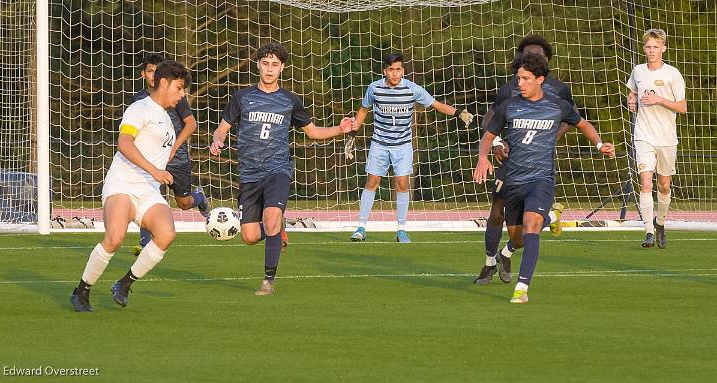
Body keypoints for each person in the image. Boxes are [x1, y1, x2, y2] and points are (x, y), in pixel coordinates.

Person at [209, 42, 352, 296]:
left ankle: (268, 281)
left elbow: (313, 132)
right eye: (265, 64)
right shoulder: (242, 97)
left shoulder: (290, 101)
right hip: (249, 174)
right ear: (257, 65)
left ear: (282, 68)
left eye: (275, 65)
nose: (269, 69)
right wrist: (218, 139)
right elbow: (223, 127)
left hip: (277, 170)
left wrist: (339, 129)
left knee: (271, 218)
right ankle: (278, 228)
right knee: (250, 236)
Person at [474, 52, 615, 303]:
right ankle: (551, 217)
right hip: (513, 181)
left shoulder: (556, 105)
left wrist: (599, 144)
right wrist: (483, 158)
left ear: (540, 79)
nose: (520, 83)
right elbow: (488, 135)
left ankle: (522, 288)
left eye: (525, 78)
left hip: (540, 180)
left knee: (531, 227)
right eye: (518, 78)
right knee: (517, 238)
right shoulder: (509, 106)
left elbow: (583, 124)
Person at [70, 61, 192, 312]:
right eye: (179, 89)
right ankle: (82, 291)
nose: (181, 95)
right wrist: (156, 171)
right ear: (164, 83)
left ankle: (124, 284)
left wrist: (163, 171)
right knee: (114, 239)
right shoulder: (140, 108)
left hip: (147, 190)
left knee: (167, 234)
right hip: (123, 184)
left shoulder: (167, 119)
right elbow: (124, 144)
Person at [474, 35, 572, 285]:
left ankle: (507, 252)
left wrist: (547, 138)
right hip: (510, 161)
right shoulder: (510, 87)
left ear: (546, 60)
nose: (530, 58)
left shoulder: (560, 90)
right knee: (496, 211)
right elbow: (491, 119)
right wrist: (496, 143)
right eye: (525, 54)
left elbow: (570, 121)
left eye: (537, 55)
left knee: (526, 227)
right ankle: (489, 264)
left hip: (537, 163)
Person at [347, 52, 473, 243]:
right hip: (379, 144)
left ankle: (401, 230)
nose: (395, 74)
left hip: (403, 145)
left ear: (403, 71)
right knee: (372, 181)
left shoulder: (412, 89)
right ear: (385, 71)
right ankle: (361, 228)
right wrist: (351, 137)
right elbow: (363, 110)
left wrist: (458, 113)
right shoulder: (374, 89)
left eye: (398, 69)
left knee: (402, 183)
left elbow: (435, 104)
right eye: (391, 70)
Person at [132, 53, 210, 256]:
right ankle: (145, 244)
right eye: (150, 71)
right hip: (152, 160)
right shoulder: (138, 100)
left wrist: (174, 147)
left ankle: (199, 197)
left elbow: (191, 124)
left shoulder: (176, 97)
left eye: (157, 71)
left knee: (183, 204)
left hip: (177, 159)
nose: (153, 75)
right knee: (148, 197)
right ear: (143, 74)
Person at [627, 29, 686, 249]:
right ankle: (648, 232)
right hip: (644, 135)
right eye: (648, 47)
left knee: (663, 185)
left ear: (663, 48)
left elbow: (682, 107)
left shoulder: (673, 74)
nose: (651, 51)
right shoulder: (638, 71)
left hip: (667, 138)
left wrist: (659, 99)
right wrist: (631, 101)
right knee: (645, 182)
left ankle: (660, 223)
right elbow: (631, 92)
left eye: (655, 47)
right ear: (644, 49)